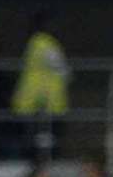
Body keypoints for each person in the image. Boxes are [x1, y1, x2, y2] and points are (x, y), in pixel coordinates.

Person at [9, 14, 69, 157]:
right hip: (45, 101)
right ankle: (40, 161)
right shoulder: (45, 43)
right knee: (45, 139)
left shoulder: (34, 43)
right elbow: (62, 69)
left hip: (31, 100)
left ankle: (33, 158)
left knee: (33, 138)